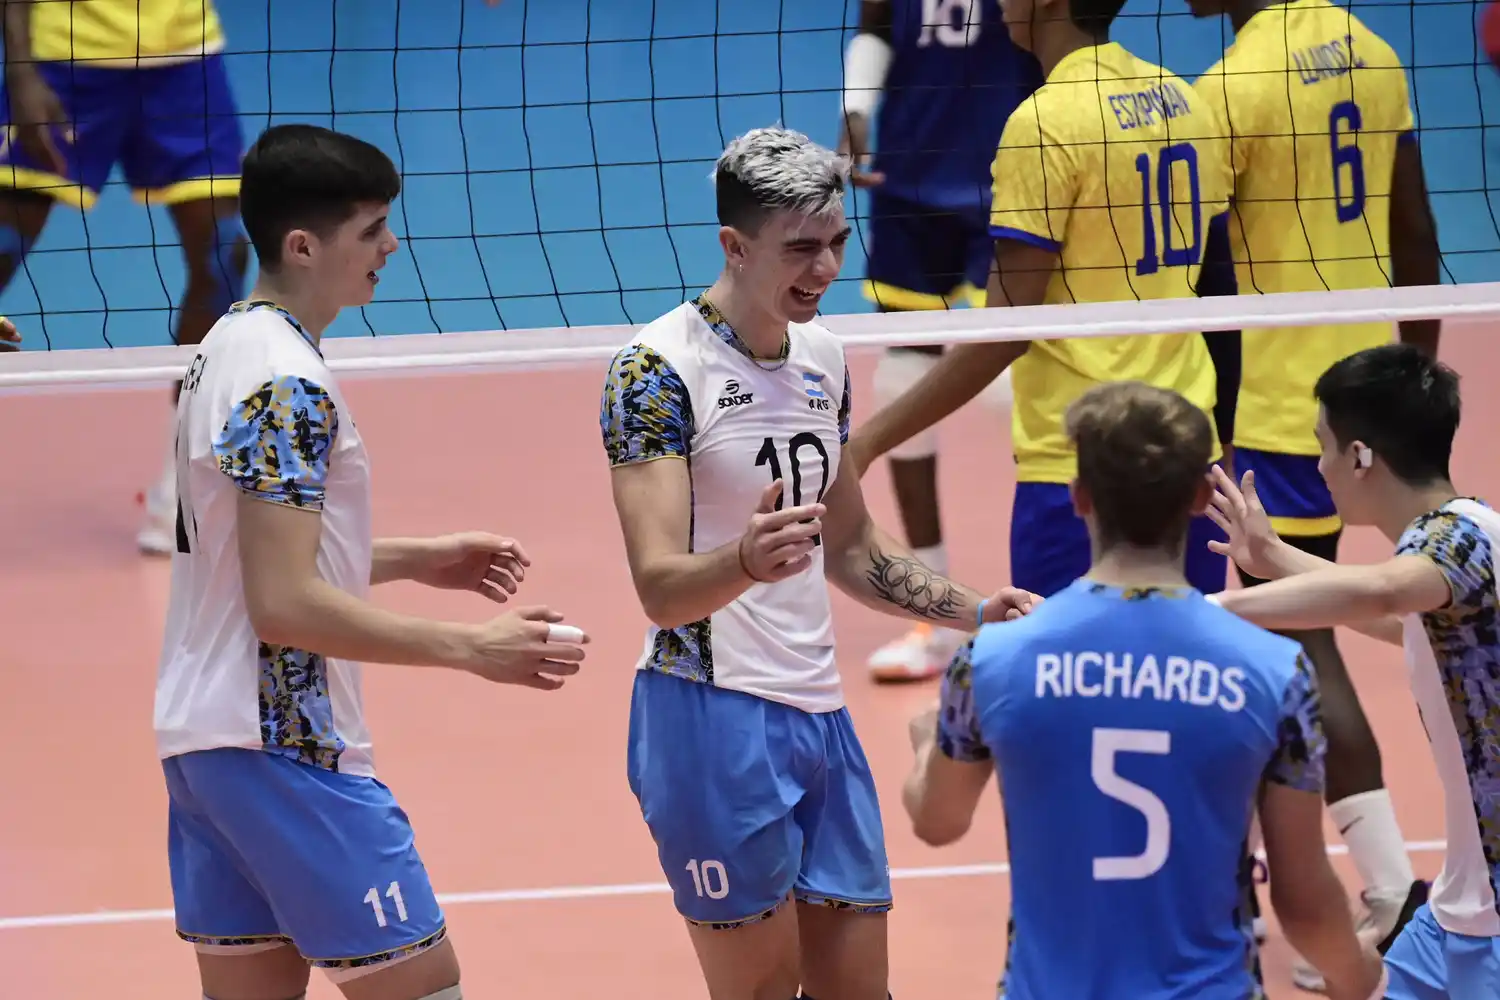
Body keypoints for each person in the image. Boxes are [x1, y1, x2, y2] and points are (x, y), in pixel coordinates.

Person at [599, 125, 1041, 1000]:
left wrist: (975, 612)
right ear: (734, 245)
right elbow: (660, 590)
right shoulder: (654, 373)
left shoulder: (823, 356)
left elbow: (851, 547)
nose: (827, 267)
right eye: (801, 248)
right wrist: (743, 561)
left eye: (837, 241)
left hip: (819, 715)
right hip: (710, 718)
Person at [156, 123, 590, 1000]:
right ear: (303, 246)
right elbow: (282, 603)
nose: (391, 245)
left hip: (206, 747)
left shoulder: (223, 350)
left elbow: (243, 552)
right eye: (372, 229)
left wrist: (416, 558)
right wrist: (473, 647)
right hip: (284, 746)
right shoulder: (287, 385)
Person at [902, 380, 1387, 1000]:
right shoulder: (1275, 670)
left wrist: (926, 742)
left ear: (1078, 497)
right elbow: (1303, 898)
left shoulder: (994, 660)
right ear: (1199, 498)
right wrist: (1359, 977)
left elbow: (937, 821)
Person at [1184, 0, 1444, 984]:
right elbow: (1414, 228)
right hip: (1368, 381)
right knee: (1318, 628)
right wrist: (1414, 383)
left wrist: (1208, 419)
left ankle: (1389, 891)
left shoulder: (1231, 86)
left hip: (1280, 404)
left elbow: (1206, 279)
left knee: (1301, 640)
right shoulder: (1373, 49)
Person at [845, 0, 1243, 604]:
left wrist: (867, 442)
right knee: (1185, 660)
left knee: (1066, 663)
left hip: (1078, 469)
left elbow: (1005, 332)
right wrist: (1224, 445)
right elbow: (1219, 290)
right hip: (1189, 449)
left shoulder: (1042, 123)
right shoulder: (1183, 98)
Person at [1205, 343, 1500, 1000]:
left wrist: (1194, 610)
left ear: (1361, 456)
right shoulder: (1463, 537)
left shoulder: (1457, 540)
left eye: (1324, 445)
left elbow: (1379, 594)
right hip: (1458, 907)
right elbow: (1397, 617)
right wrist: (1274, 556)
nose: (1319, 465)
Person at [837, 0, 1044, 682]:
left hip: (1017, 164)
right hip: (911, 170)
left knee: (1021, 383)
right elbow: (875, 20)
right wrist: (857, 108)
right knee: (900, 374)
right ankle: (934, 615)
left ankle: (1057, 596)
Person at [0, 0, 251, 553]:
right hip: (65, 59)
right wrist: (20, 69)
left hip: (185, 59)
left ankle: (183, 485)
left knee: (225, 257)